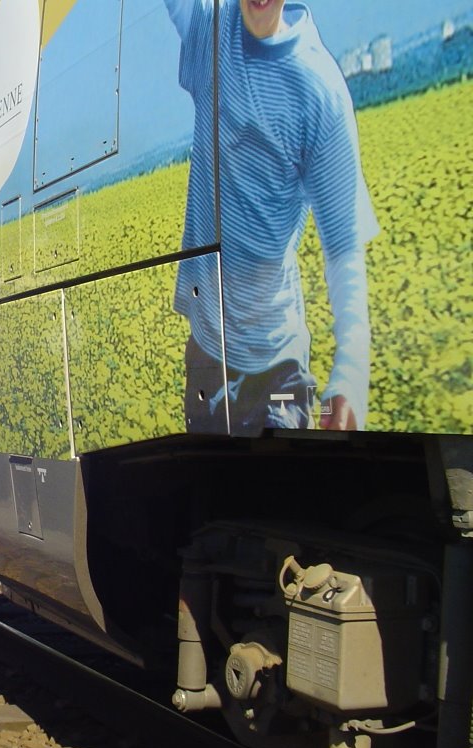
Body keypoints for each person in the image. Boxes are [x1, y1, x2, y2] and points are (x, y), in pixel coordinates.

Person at [163, 0, 379, 434]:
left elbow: (343, 249)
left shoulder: (319, 88)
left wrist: (351, 373)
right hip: (206, 354)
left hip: (278, 366)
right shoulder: (210, 29)